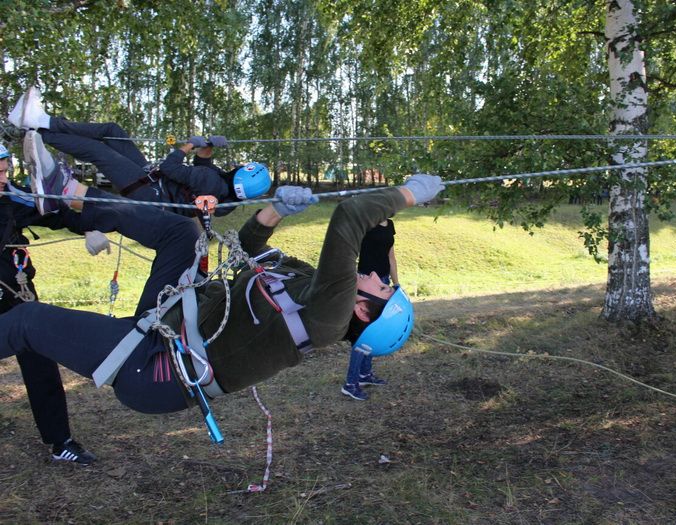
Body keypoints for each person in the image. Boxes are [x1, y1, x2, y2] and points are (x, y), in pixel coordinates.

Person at [0, 130, 443, 440]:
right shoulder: (308, 285)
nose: (377, 278)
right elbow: (252, 245)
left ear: (364, 311)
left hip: (157, 370)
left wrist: (408, 193)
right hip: (175, 319)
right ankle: (68, 195)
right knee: (182, 232)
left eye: (382, 288)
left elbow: (350, 217)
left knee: (25, 322)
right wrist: (275, 212)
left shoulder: (330, 316)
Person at [7, 87, 270, 217]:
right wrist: (208, 145)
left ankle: (39, 129)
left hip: (150, 189)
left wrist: (188, 145)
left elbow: (171, 168)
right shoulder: (222, 192)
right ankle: (43, 121)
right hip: (152, 183)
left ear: (240, 174)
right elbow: (204, 166)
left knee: (99, 151)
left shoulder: (211, 183)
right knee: (113, 130)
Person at [0, 140, 104, 464]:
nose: (3, 176)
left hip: (18, 296)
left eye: (5, 169)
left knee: (39, 360)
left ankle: (60, 442)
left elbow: (48, 210)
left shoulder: (9, 195)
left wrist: (89, 226)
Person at [342, 218, 399, 400]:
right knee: (363, 333)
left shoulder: (389, 224)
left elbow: (391, 256)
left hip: (383, 282)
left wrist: (396, 283)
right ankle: (350, 383)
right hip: (367, 285)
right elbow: (348, 250)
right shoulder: (365, 223)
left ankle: (365, 374)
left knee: (374, 331)